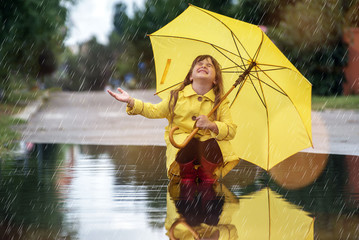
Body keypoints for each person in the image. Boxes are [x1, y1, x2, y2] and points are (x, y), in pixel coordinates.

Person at [107, 55, 239, 184]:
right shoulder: (176, 97)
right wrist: (131, 101)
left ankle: (207, 175)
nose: (204, 66)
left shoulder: (220, 102)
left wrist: (211, 125)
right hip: (183, 148)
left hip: (208, 150)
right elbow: (154, 111)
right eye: (199, 64)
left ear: (215, 79)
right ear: (190, 76)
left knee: (213, 144)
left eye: (209, 65)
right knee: (189, 143)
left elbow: (231, 130)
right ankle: (186, 175)